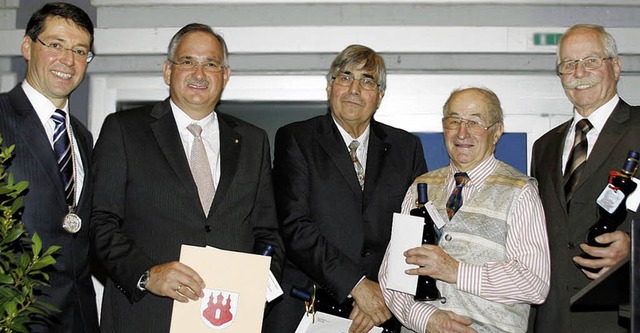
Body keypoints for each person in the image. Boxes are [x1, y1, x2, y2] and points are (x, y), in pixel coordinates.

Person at [90, 23, 284, 332]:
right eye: (187, 61)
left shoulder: (253, 140)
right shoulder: (124, 130)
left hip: (228, 318)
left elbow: (268, 234)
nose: (199, 73)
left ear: (225, 75)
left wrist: (258, 282)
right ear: (168, 71)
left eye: (211, 63)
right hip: (147, 317)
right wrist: (147, 274)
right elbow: (99, 222)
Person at [263, 44, 428, 333]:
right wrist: (357, 286)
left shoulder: (406, 147)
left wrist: (386, 295)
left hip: (380, 310)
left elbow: (415, 230)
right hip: (307, 304)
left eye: (367, 81)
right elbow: (294, 225)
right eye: (345, 77)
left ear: (379, 95)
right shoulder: (296, 138)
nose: (354, 89)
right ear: (330, 87)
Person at [380, 87, 550, 333]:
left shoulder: (520, 192)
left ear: (497, 132)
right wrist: (426, 319)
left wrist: (457, 272)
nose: (462, 132)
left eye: (475, 122)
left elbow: (534, 283)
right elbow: (391, 277)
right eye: (454, 121)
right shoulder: (420, 187)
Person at [530, 24, 640, 333]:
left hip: (620, 316)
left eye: (591, 60)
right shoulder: (544, 147)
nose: (579, 72)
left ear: (615, 67)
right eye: (568, 64)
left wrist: (635, 249)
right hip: (552, 318)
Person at [0, 3, 98, 332]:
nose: (68, 61)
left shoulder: (82, 137)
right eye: (55, 45)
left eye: (80, 50)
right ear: (27, 47)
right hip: (15, 315)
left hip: (79, 318)